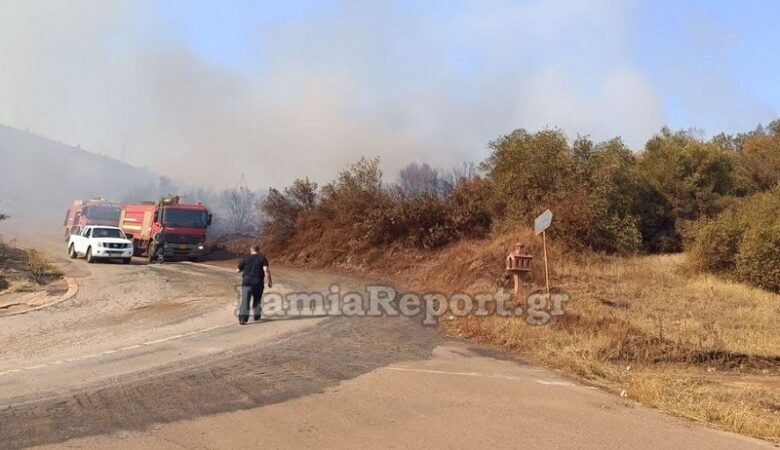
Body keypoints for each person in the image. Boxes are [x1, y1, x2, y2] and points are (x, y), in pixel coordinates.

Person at [236, 245, 272, 325]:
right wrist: (270, 281)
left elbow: (238, 270)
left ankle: (243, 319)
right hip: (258, 282)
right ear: (258, 250)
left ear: (251, 250)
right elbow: (266, 270)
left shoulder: (245, 258)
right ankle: (256, 314)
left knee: (245, 300)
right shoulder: (262, 258)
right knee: (257, 299)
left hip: (246, 282)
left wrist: (243, 269)